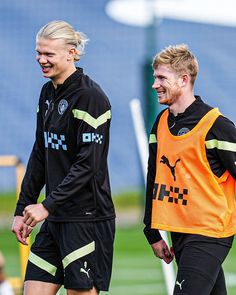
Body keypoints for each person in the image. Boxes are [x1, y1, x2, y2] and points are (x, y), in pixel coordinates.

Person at [11, 20, 116, 295]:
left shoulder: (91, 97)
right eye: (38, 53)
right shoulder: (47, 92)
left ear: (71, 53)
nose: (41, 60)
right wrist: (23, 208)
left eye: (49, 54)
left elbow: (88, 165)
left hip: (85, 219)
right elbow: (40, 152)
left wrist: (46, 205)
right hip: (55, 217)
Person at [143, 44, 236, 294]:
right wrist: (151, 231)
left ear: (184, 80)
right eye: (154, 78)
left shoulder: (217, 125)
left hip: (209, 232)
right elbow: (154, 178)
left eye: (162, 78)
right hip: (179, 231)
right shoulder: (161, 123)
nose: (155, 84)